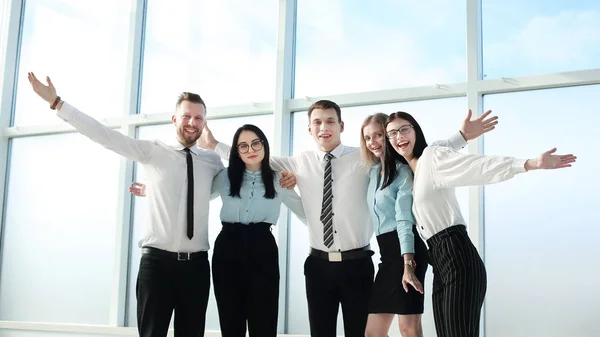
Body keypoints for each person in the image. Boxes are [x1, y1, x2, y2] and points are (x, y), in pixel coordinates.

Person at [26, 72, 293, 337]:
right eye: (186, 116)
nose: (192, 122)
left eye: (198, 117)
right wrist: (58, 104)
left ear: (204, 123)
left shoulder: (211, 163)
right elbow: (106, 136)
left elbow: (239, 173)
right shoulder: (154, 151)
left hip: (197, 268)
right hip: (157, 265)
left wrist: (286, 176)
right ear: (174, 118)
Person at [199, 100, 493, 337]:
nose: (323, 127)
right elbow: (254, 157)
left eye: (329, 121)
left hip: (358, 264)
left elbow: (413, 153)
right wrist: (214, 145)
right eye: (317, 122)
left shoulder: (362, 158)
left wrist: (461, 137)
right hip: (317, 267)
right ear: (310, 129)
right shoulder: (299, 162)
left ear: (340, 126)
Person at [384, 111, 576, 337]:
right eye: (392, 133)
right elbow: (446, 143)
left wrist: (529, 164)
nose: (399, 136)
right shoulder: (411, 172)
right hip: (438, 259)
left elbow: (477, 167)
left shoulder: (431, 158)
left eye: (404, 129)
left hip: (457, 254)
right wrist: (462, 135)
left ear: (416, 130)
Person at [130, 124, 304, 337]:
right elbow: (192, 195)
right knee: (231, 321)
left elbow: (305, 213)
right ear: (236, 152)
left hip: (263, 249)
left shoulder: (280, 180)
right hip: (228, 249)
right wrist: (154, 189)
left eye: (256, 143)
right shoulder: (224, 177)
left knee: (264, 321)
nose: (251, 150)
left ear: (264, 146)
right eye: (243, 146)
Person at [360, 111, 496, 337]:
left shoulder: (404, 171)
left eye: (379, 135)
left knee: (408, 329)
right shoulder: (373, 172)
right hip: (386, 257)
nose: (373, 142)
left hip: (406, 250)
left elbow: (404, 219)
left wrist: (407, 263)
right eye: (367, 138)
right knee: (373, 332)